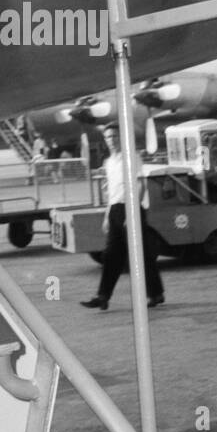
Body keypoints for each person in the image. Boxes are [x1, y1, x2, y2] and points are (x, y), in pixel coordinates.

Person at [81, 125, 165, 310]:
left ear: (122, 137)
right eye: (109, 137)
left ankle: (156, 293)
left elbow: (141, 184)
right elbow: (112, 192)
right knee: (111, 255)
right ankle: (102, 297)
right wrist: (106, 216)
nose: (112, 140)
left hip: (131, 208)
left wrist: (132, 212)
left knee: (140, 256)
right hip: (115, 211)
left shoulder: (132, 157)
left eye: (115, 136)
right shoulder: (109, 162)